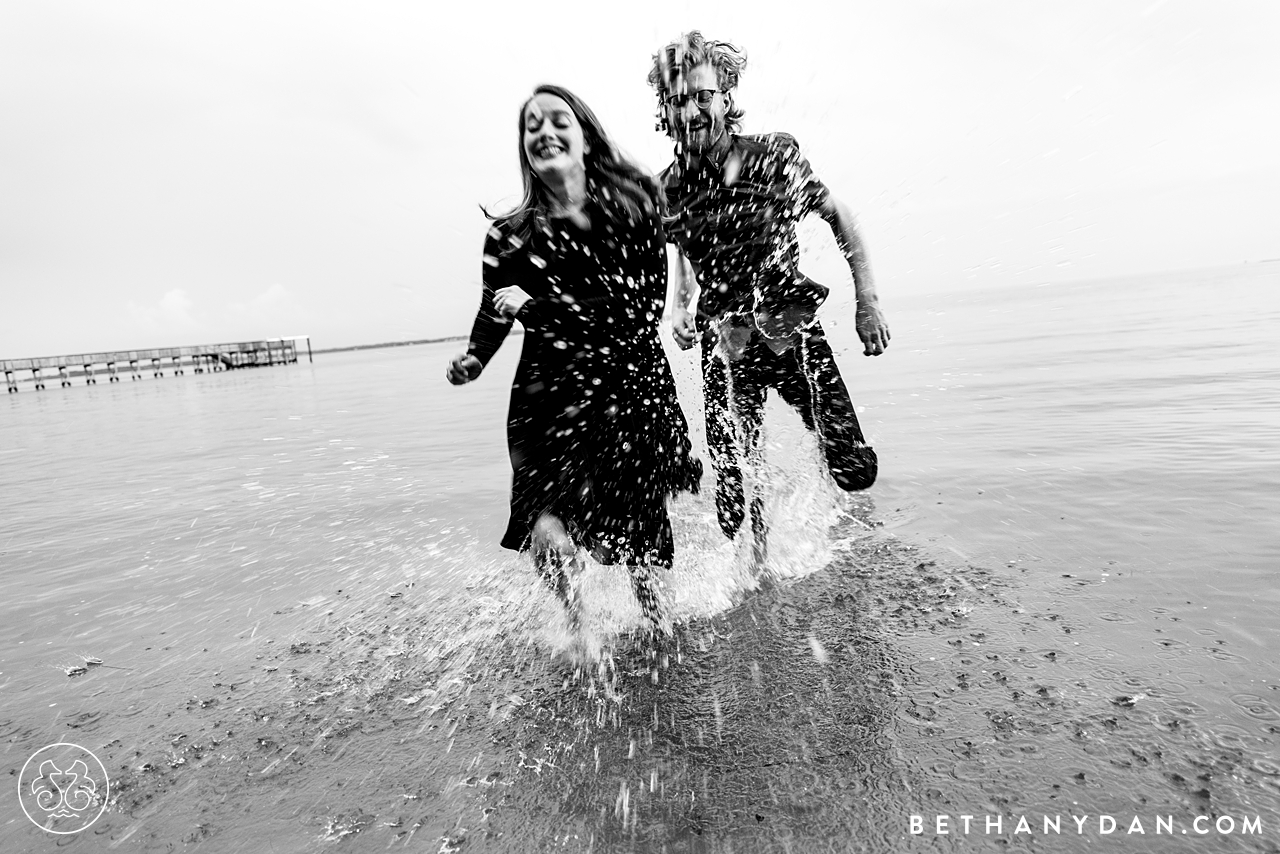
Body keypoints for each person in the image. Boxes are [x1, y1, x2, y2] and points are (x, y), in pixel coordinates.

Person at [446, 84, 702, 636]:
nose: (543, 131)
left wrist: (538, 308)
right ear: (525, 151)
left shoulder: (633, 206)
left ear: (585, 136)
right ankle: (580, 630)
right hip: (547, 400)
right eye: (531, 125)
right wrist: (475, 358)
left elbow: (638, 311)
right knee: (545, 528)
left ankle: (662, 631)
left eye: (558, 120)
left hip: (629, 392)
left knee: (636, 541)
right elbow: (494, 313)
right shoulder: (509, 235)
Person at [647, 31, 890, 554]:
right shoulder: (666, 187)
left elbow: (840, 216)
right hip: (725, 345)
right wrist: (678, 306)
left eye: (702, 96)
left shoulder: (772, 160)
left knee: (853, 469)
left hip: (793, 331)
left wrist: (866, 301)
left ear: (727, 97)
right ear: (664, 111)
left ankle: (839, 537)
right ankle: (756, 569)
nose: (690, 110)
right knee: (733, 497)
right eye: (677, 100)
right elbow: (683, 250)